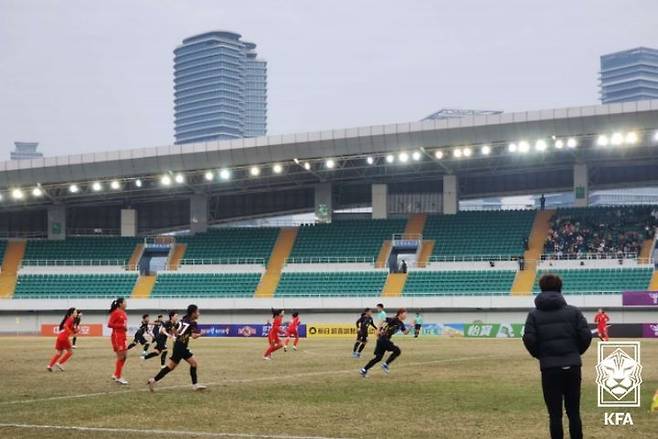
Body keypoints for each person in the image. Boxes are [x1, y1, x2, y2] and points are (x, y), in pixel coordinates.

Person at [523, 274, 592, 439]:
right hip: (573, 367)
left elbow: (529, 339)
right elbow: (586, 336)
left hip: (549, 368)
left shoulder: (534, 315)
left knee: (555, 414)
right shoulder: (574, 312)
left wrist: (542, 356)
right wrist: (575, 353)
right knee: (574, 412)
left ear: (541, 289)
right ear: (560, 289)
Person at [148, 305, 205, 391]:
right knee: (171, 366)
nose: (199, 314)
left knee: (193, 364)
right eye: (198, 312)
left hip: (180, 346)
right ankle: (153, 380)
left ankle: (195, 385)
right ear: (193, 313)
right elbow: (194, 336)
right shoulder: (193, 322)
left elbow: (174, 329)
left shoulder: (184, 319)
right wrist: (201, 334)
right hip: (181, 347)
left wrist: (177, 335)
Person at [360, 308, 409, 377]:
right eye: (405, 314)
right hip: (383, 339)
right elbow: (383, 320)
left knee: (378, 357)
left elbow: (405, 332)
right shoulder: (394, 319)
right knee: (397, 351)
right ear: (400, 314)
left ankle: (364, 370)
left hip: (382, 340)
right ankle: (385, 365)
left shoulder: (401, 324)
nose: (406, 316)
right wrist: (377, 330)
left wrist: (411, 326)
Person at [47, 307, 78, 372]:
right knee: (70, 352)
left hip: (59, 337)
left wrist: (75, 330)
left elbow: (68, 327)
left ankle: (49, 366)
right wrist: (71, 332)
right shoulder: (71, 319)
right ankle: (59, 363)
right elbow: (65, 326)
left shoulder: (70, 319)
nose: (76, 313)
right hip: (64, 337)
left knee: (59, 353)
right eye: (75, 312)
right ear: (71, 313)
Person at [107, 297, 129, 385]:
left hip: (123, 336)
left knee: (125, 356)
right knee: (121, 357)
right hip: (117, 337)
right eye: (125, 302)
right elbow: (109, 324)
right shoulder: (116, 312)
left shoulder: (123, 313)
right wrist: (121, 326)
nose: (126, 304)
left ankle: (116, 374)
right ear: (120, 304)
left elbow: (124, 324)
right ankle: (118, 377)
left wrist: (125, 328)